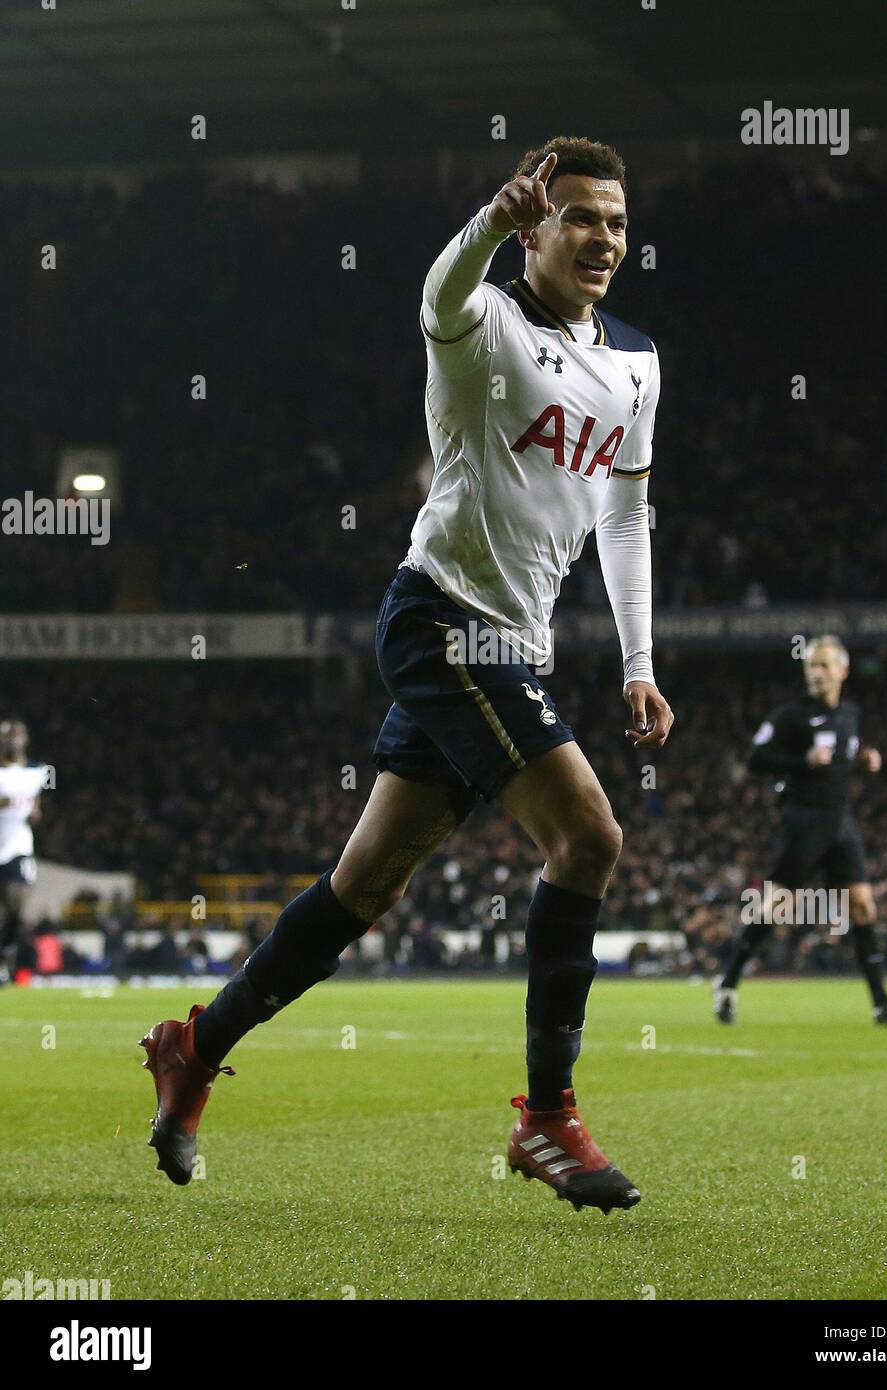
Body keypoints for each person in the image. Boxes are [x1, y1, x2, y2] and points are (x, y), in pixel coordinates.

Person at [142, 137, 673, 1213]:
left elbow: (623, 513)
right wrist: (486, 217)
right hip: (441, 620)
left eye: (616, 221)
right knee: (589, 836)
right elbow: (436, 292)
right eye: (580, 217)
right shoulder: (483, 326)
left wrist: (638, 663)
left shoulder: (637, 363)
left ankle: (195, 1044)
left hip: (517, 643)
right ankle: (546, 1119)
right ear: (535, 227)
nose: (603, 238)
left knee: (364, 886)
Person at [712, 636, 887, 1026]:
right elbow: (756, 758)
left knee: (863, 905)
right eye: (811, 665)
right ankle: (727, 983)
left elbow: (844, 756)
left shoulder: (850, 715)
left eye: (824, 666)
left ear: (843, 671)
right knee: (776, 906)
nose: (816, 673)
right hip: (803, 821)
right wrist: (802, 760)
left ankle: (881, 1003)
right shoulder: (791, 715)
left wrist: (864, 760)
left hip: (841, 824)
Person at [0, 719, 47, 984]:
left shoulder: (35, 772)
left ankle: (5, 957)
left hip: (18, 846)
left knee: (17, 904)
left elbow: (35, 806)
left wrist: (35, 813)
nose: (12, 741)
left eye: (16, 735)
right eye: (7, 736)